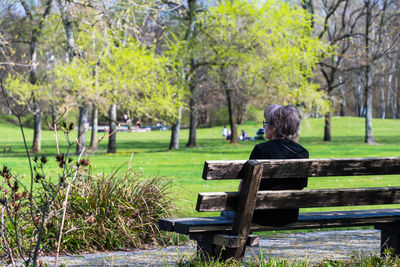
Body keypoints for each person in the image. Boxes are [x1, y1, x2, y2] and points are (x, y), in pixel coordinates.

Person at [249, 104, 308, 226]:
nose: (264, 126)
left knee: (226, 215)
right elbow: (301, 185)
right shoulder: (302, 152)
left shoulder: (260, 150)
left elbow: (244, 187)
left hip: (259, 215)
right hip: (289, 215)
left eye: (265, 123)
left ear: (274, 128)